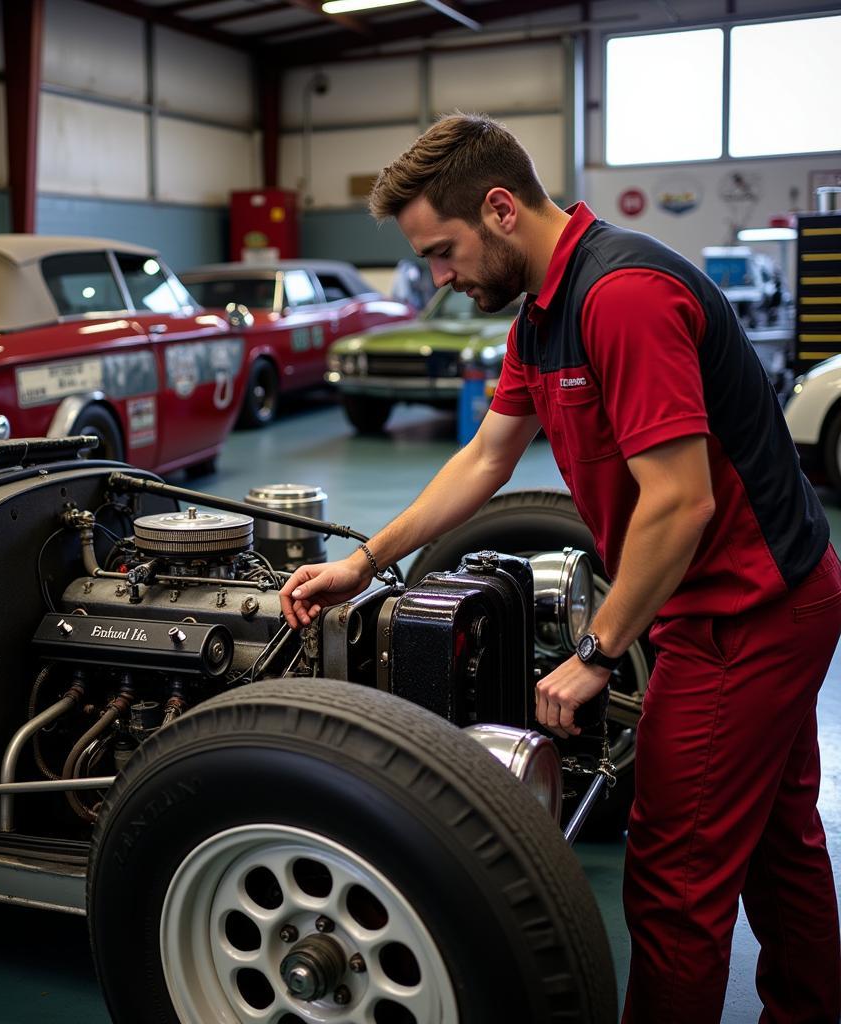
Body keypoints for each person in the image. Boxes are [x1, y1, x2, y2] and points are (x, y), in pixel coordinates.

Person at [280, 113, 841, 1023]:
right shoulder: (541, 316)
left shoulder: (620, 296)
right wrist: (369, 561)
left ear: (500, 208)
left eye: (443, 251)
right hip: (758, 595)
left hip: (744, 615)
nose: (440, 277)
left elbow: (681, 502)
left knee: (674, 883)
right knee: (782, 849)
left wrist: (597, 649)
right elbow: (485, 459)